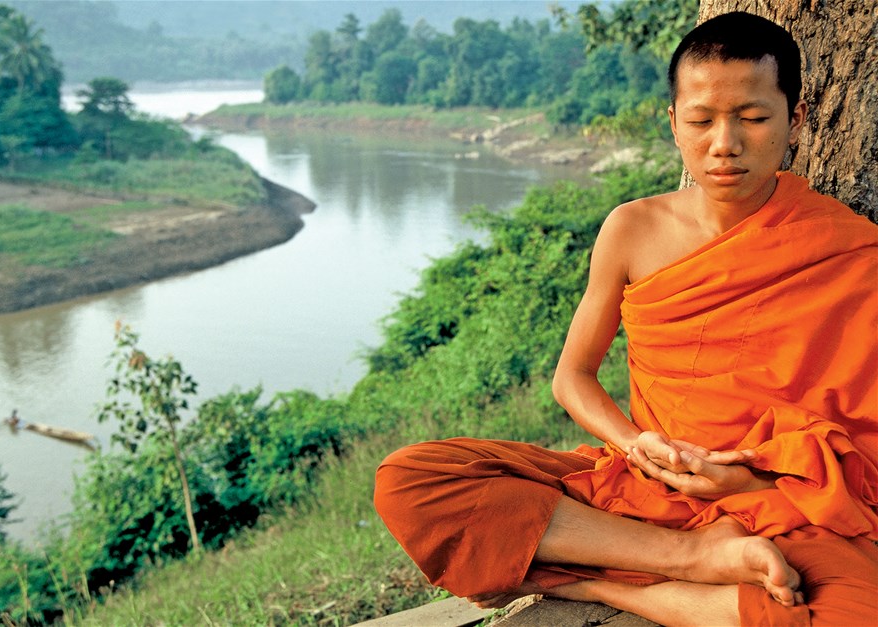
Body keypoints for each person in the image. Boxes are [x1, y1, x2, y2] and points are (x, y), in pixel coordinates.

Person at [374, 12, 877, 627]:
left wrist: (747, 487)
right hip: (644, 486)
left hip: (780, 504)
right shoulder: (633, 230)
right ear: (673, 123)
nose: (725, 143)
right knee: (411, 480)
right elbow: (573, 378)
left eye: (753, 117)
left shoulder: (849, 250)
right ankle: (689, 557)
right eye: (700, 120)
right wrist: (635, 444)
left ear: (795, 120)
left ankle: (604, 585)